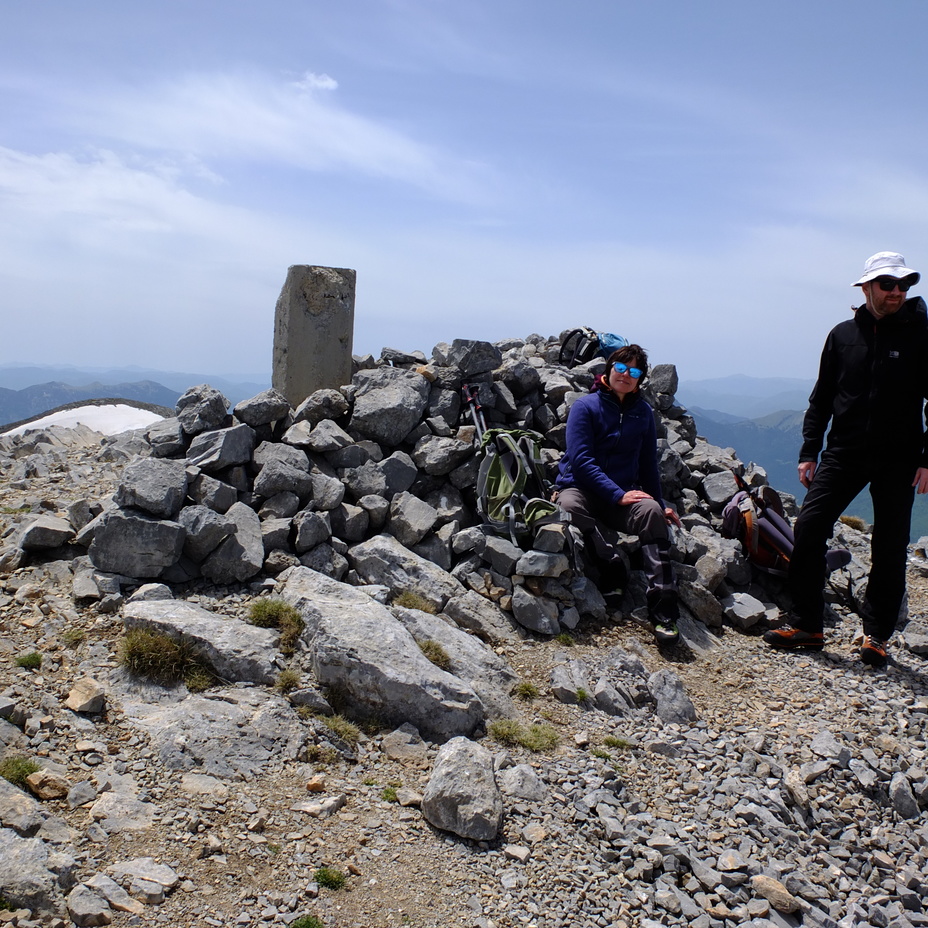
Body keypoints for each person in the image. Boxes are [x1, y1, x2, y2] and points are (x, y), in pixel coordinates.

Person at [765, 252, 928, 666]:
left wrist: (927, 458)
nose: (897, 292)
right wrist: (808, 451)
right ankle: (807, 625)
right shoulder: (841, 335)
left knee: (890, 546)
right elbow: (821, 398)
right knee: (810, 527)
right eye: (888, 284)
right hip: (844, 452)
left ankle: (876, 636)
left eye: (904, 285)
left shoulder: (920, 335)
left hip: (900, 457)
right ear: (866, 288)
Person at [555, 344, 682, 644]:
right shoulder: (585, 407)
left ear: (641, 379)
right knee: (568, 505)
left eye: (634, 371)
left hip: (621, 495)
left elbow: (649, 465)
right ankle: (612, 566)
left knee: (650, 512)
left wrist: (659, 505)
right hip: (581, 488)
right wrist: (618, 495)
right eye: (621, 369)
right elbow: (582, 462)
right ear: (609, 369)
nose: (626, 376)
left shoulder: (643, 414)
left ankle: (664, 613)